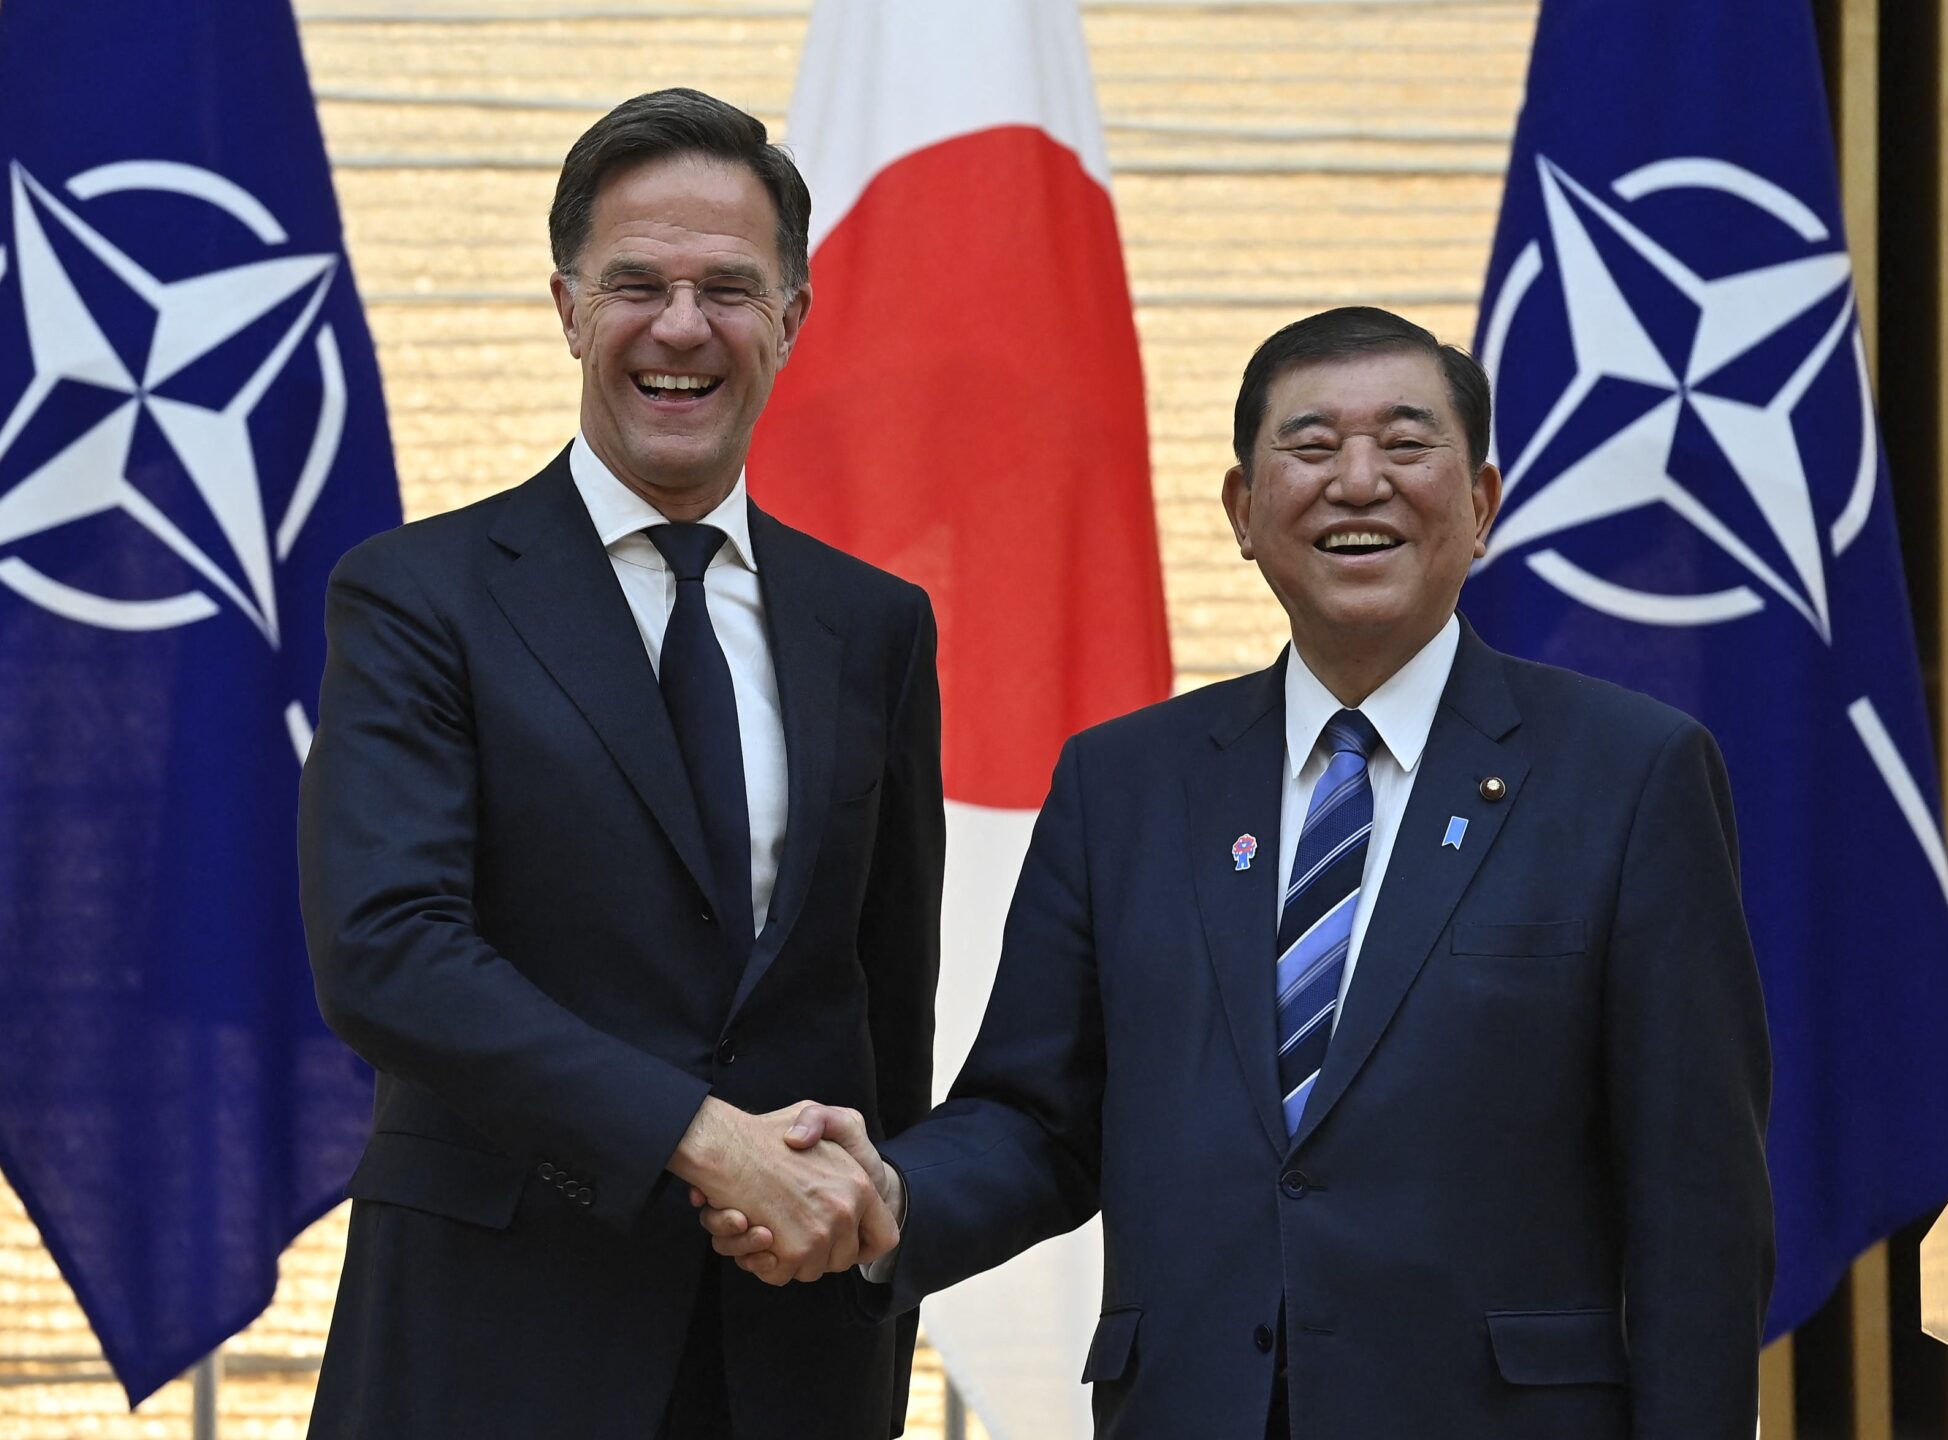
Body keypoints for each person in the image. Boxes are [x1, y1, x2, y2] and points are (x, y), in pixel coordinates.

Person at [706, 307, 1773, 1438]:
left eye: (1407, 447)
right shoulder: (1127, 784)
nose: (1358, 482)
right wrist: (890, 1197)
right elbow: (1038, 1120)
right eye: (1309, 449)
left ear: (1481, 505)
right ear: (1242, 513)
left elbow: (1694, 1205)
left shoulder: (1630, 774)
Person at [298, 87, 941, 1440]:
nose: (682, 328)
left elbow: (887, 1010)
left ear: (794, 318)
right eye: (637, 284)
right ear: (568, 308)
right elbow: (388, 950)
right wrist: (701, 1137)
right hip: (493, 1337)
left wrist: (879, 1248)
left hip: (794, 1358)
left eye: (730, 288)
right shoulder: (421, 596)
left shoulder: (874, 627)